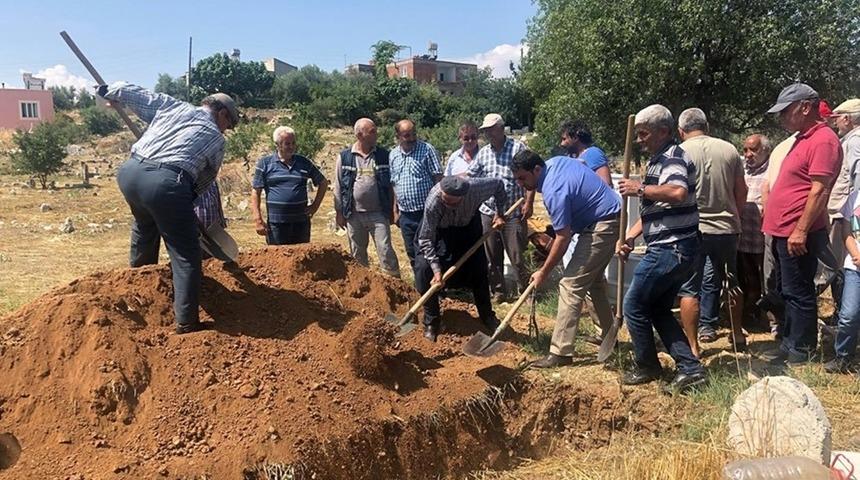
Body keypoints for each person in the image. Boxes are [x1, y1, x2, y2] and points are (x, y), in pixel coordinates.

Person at [99, 83, 238, 334]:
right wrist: (186, 202)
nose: (225, 130)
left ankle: (139, 298)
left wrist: (109, 90)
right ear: (222, 114)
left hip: (130, 173)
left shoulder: (174, 107)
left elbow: (136, 94)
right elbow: (205, 179)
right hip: (166, 183)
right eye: (228, 124)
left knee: (144, 229)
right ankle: (186, 322)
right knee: (186, 254)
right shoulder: (215, 138)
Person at [616, 104, 706, 394]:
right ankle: (690, 368)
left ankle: (647, 365)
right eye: (638, 134)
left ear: (664, 131)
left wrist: (639, 189)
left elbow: (678, 193)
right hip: (673, 247)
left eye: (644, 133)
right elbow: (654, 210)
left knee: (633, 305)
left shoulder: (673, 158)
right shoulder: (657, 161)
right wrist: (629, 237)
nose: (639, 139)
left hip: (672, 248)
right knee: (657, 308)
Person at [510, 151, 621, 368]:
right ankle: (610, 338)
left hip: (602, 226)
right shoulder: (555, 163)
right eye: (517, 178)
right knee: (593, 283)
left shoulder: (554, 189)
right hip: (606, 219)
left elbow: (563, 237)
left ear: (537, 170)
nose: (520, 183)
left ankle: (560, 352)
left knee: (570, 285)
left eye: (523, 178)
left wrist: (543, 271)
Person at [762, 83, 843, 364]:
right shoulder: (804, 138)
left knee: (799, 292)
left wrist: (801, 229)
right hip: (784, 230)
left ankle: (802, 349)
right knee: (788, 291)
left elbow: (819, 190)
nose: (782, 117)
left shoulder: (823, 140)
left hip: (797, 232)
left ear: (805, 107)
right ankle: (790, 342)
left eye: (786, 111)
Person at [675, 108, 748, 354]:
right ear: (707, 125)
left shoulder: (679, 153)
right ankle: (737, 333)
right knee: (731, 281)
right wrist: (734, 216)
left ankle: (694, 347)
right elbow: (741, 191)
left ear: (681, 130)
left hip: (692, 229)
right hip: (726, 228)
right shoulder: (729, 149)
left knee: (689, 287)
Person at [414, 176, 507, 341]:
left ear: (464, 196)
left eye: (452, 202)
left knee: (479, 270)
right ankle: (432, 321)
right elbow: (426, 239)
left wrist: (499, 214)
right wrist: (436, 271)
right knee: (423, 269)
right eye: (445, 200)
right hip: (440, 232)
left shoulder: (477, 187)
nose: (447, 205)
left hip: (468, 227)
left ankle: (487, 317)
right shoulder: (434, 201)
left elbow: (499, 186)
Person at [468, 113, 534, 301]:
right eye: (485, 131)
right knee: (492, 257)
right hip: (488, 211)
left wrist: (528, 203)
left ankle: (527, 291)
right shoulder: (484, 153)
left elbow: (530, 177)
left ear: (500, 128)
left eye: (490, 129)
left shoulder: (517, 148)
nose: (488, 133)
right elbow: (472, 176)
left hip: (512, 211)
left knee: (517, 255)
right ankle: (498, 291)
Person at [333, 118, 401, 277]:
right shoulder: (345, 157)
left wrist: (394, 209)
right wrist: (339, 213)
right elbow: (338, 186)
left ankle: (395, 285)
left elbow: (393, 185)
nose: (376, 134)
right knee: (357, 253)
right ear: (359, 135)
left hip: (378, 214)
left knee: (385, 250)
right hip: (354, 214)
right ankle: (363, 285)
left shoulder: (384, 155)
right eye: (372, 131)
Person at [250, 126, 328, 245]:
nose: (291, 146)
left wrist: (315, 206)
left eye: (293, 143)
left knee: (301, 259)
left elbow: (323, 183)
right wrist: (258, 219)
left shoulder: (304, 162)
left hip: (301, 223)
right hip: (277, 224)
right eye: (287, 143)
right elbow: (256, 192)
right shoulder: (265, 164)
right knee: (279, 259)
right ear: (278, 145)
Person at [390, 119, 443, 265]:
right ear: (398, 136)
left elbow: (438, 179)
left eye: (414, 134)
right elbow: (394, 183)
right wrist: (395, 211)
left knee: (429, 250)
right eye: (407, 135)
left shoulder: (427, 150)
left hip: (425, 211)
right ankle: (419, 285)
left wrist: (439, 207)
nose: (412, 138)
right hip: (405, 214)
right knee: (411, 252)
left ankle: (436, 284)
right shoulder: (393, 155)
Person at [823, 99, 860, 310]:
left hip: (844, 211)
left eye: (837, 118)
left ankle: (845, 312)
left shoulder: (855, 141)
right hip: (844, 209)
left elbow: (858, 178)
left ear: (847, 118)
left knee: (840, 265)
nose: (835, 122)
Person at [737, 134, 771, 332]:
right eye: (746, 150)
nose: (748, 154)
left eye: (754, 150)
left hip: (762, 234)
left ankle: (767, 315)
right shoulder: (741, 169)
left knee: (765, 277)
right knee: (745, 276)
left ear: (765, 150)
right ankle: (747, 315)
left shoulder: (772, 170)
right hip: (742, 236)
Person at [824, 187, 860, 373]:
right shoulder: (854, 196)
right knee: (848, 315)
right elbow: (847, 232)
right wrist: (855, 255)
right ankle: (843, 357)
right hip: (855, 267)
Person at [559, 119, 613, 185]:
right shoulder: (570, 158)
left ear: (575, 138)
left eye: (564, 139)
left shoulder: (593, 154)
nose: (562, 144)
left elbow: (606, 187)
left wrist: (585, 171)